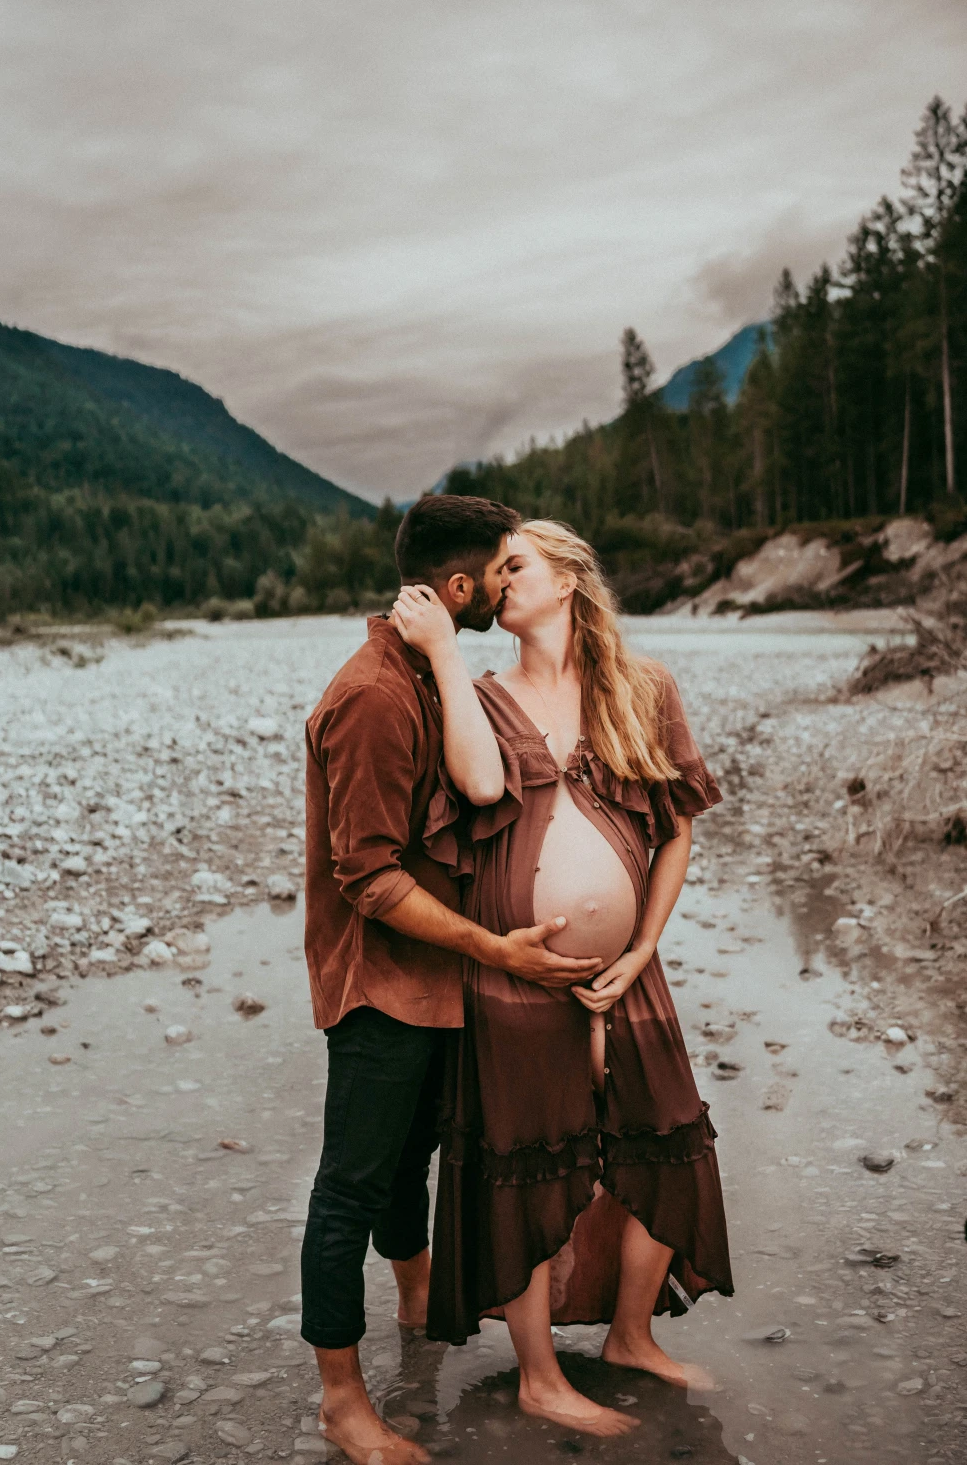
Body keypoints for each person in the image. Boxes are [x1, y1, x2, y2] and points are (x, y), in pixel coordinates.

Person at [391, 517, 734, 1440]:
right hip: (515, 973)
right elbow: (476, 785)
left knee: (665, 1135)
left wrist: (639, 952)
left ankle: (630, 1336)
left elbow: (677, 831)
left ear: (570, 580)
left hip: (631, 975)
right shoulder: (486, 694)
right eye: (494, 570)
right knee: (523, 1165)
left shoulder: (644, 689)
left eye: (517, 566)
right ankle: (539, 1376)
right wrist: (443, 661)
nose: (498, 582)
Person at [301, 496, 603, 1465]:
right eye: (499, 572)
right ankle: (342, 1401)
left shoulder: (427, 675)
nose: (504, 588)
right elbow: (369, 876)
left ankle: (418, 1300)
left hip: (432, 986)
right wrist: (498, 949)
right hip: (380, 985)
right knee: (349, 1187)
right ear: (460, 585)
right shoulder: (373, 697)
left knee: (408, 1164)